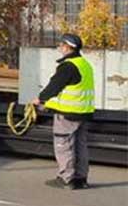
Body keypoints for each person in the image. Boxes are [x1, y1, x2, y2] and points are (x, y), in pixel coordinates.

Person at [32, 33, 95, 190]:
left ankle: (66, 179)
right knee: (80, 145)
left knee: (64, 144)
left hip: (68, 114)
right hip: (83, 112)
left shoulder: (68, 66)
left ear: (68, 47)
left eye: (61, 45)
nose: (59, 47)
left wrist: (40, 99)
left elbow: (55, 86)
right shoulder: (84, 64)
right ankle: (81, 179)